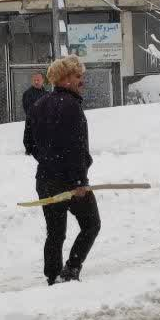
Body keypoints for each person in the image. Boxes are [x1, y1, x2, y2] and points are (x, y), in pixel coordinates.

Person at [24, 56, 100, 286]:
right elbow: (77, 147)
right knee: (91, 224)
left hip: (46, 179)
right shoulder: (72, 107)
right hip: (71, 181)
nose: (82, 81)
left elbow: (29, 144)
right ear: (64, 79)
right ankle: (71, 269)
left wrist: (48, 160)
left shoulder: (38, 105)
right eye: (78, 76)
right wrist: (79, 181)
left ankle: (53, 277)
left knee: (55, 232)